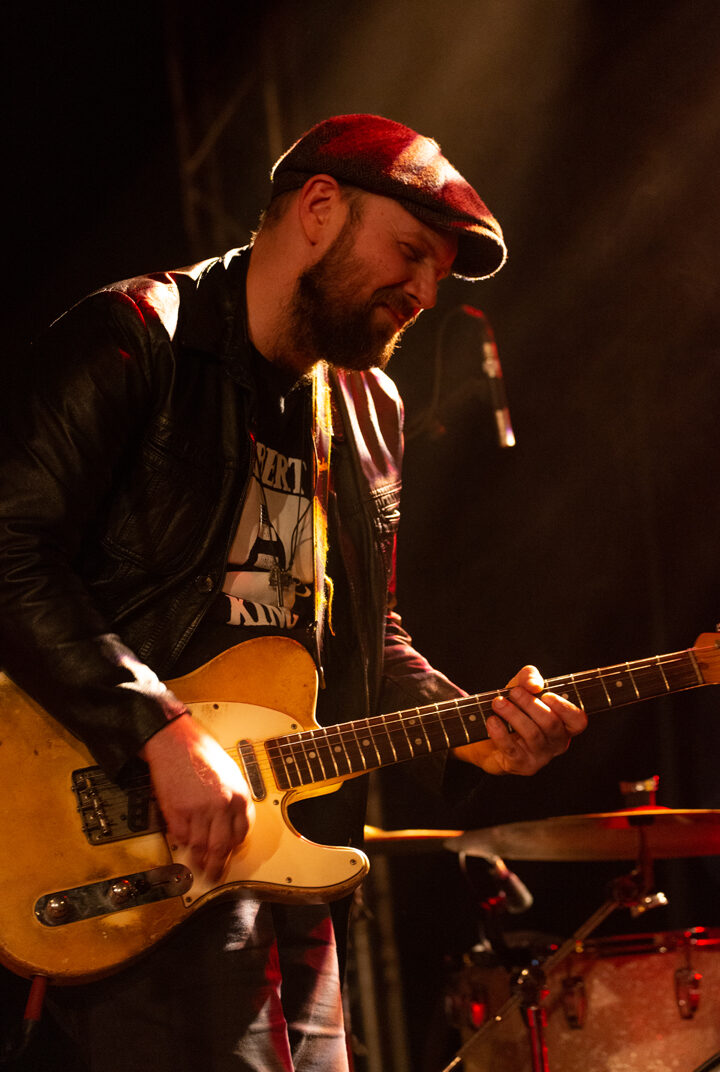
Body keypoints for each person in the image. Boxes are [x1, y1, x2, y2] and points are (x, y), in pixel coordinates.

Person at [0, 114, 586, 1071]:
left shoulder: (366, 409)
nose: (424, 292)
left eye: (439, 273)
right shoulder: (142, 335)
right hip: (122, 835)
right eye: (410, 253)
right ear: (318, 208)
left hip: (279, 845)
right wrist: (156, 731)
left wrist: (468, 730)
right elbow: (10, 549)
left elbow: (364, 634)